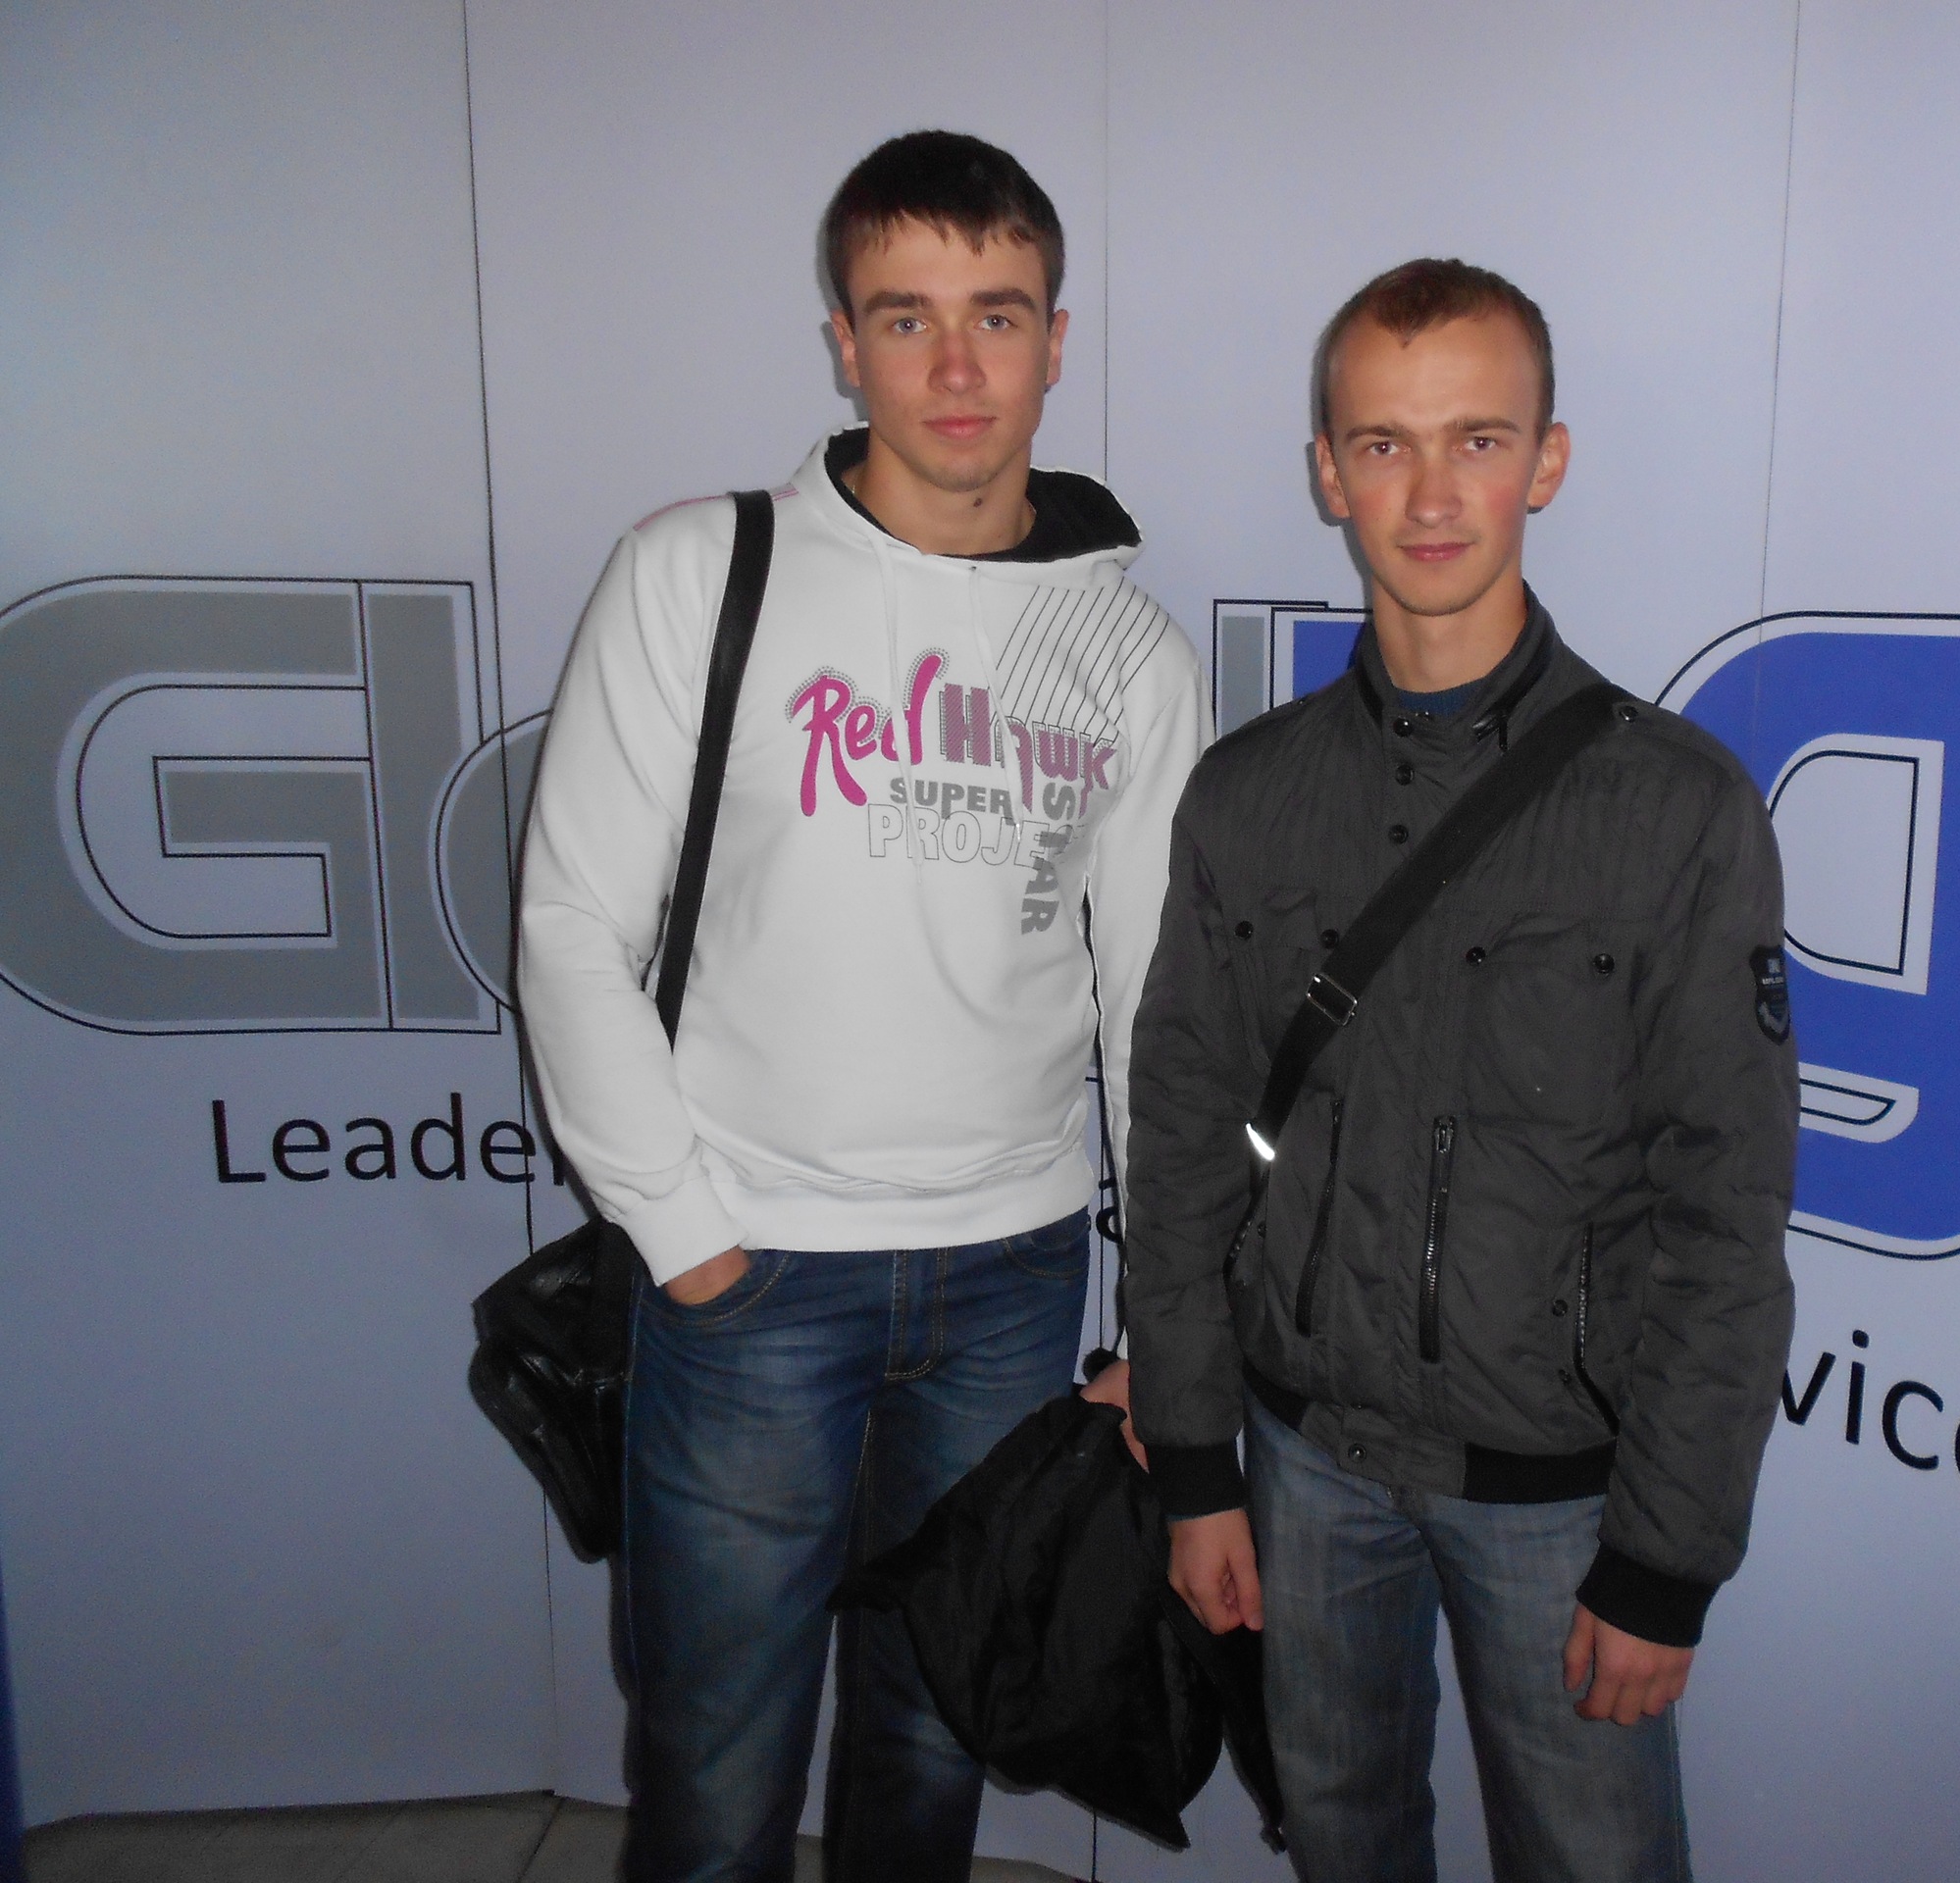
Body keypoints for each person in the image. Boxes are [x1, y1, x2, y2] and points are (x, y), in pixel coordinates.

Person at [516, 130, 1206, 1883]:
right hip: (751, 1277)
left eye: (998, 315)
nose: (957, 367)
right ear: (843, 342)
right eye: (907, 318)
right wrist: (690, 1243)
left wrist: (1161, 1320)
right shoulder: (703, 570)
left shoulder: (1128, 653)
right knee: (716, 1767)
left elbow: (1158, 1009)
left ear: (1058, 339)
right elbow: (574, 927)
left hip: (1013, 1282)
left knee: (930, 1743)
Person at [1115, 259, 1799, 1881]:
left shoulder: (1678, 809)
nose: (1431, 496)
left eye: (1478, 440)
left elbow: (1725, 1215)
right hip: (1302, 1465)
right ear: (1328, 472)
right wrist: (1199, 1465)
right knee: (1343, 1840)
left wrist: (1666, 1559)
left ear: (1546, 462)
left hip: (1562, 1501)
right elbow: (1186, 1142)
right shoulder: (1246, 795)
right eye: (1385, 444)